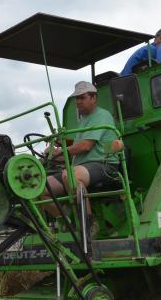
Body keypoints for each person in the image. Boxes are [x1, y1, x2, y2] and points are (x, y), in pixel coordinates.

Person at [42, 81, 120, 220]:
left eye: (82, 97)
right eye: (76, 98)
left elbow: (85, 146)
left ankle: (88, 223)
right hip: (81, 167)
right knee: (39, 188)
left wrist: (59, 152)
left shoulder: (102, 115)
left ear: (94, 98)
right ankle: (67, 220)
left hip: (104, 164)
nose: (78, 102)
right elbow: (75, 152)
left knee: (71, 175)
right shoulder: (83, 121)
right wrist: (52, 155)